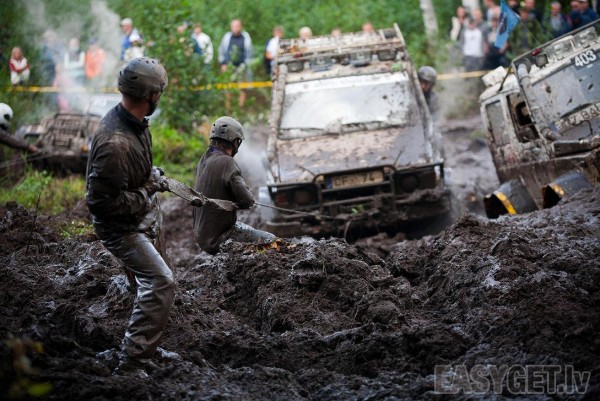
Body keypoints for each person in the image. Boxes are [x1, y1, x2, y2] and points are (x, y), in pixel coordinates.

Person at [86, 57, 175, 377]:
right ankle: (132, 362)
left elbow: (133, 174)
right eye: (159, 92)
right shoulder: (115, 142)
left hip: (138, 215)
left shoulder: (134, 124)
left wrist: (151, 176)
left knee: (148, 283)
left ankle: (145, 348)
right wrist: (146, 190)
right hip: (120, 227)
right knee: (160, 281)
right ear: (151, 95)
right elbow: (100, 204)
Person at [193, 116, 276, 255]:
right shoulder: (227, 162)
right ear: (235, 141)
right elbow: (247, 200)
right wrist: (247, 200)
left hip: (202, 235)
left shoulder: (203, 160)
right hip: (220, 236)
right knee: (270, 240)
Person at [218, 19, 253, 108]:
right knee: (228, 88)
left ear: (241, 27)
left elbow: (249, 52)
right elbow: (221, 50)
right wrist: (223, 63)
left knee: (242, 88)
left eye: (237, 26)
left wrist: (246, 65)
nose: (235, 28)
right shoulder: (227, 37)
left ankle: (240, 109)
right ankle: (228, 110)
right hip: (229, 66)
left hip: (242, 67)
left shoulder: (245, 37)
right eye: (233, 26)